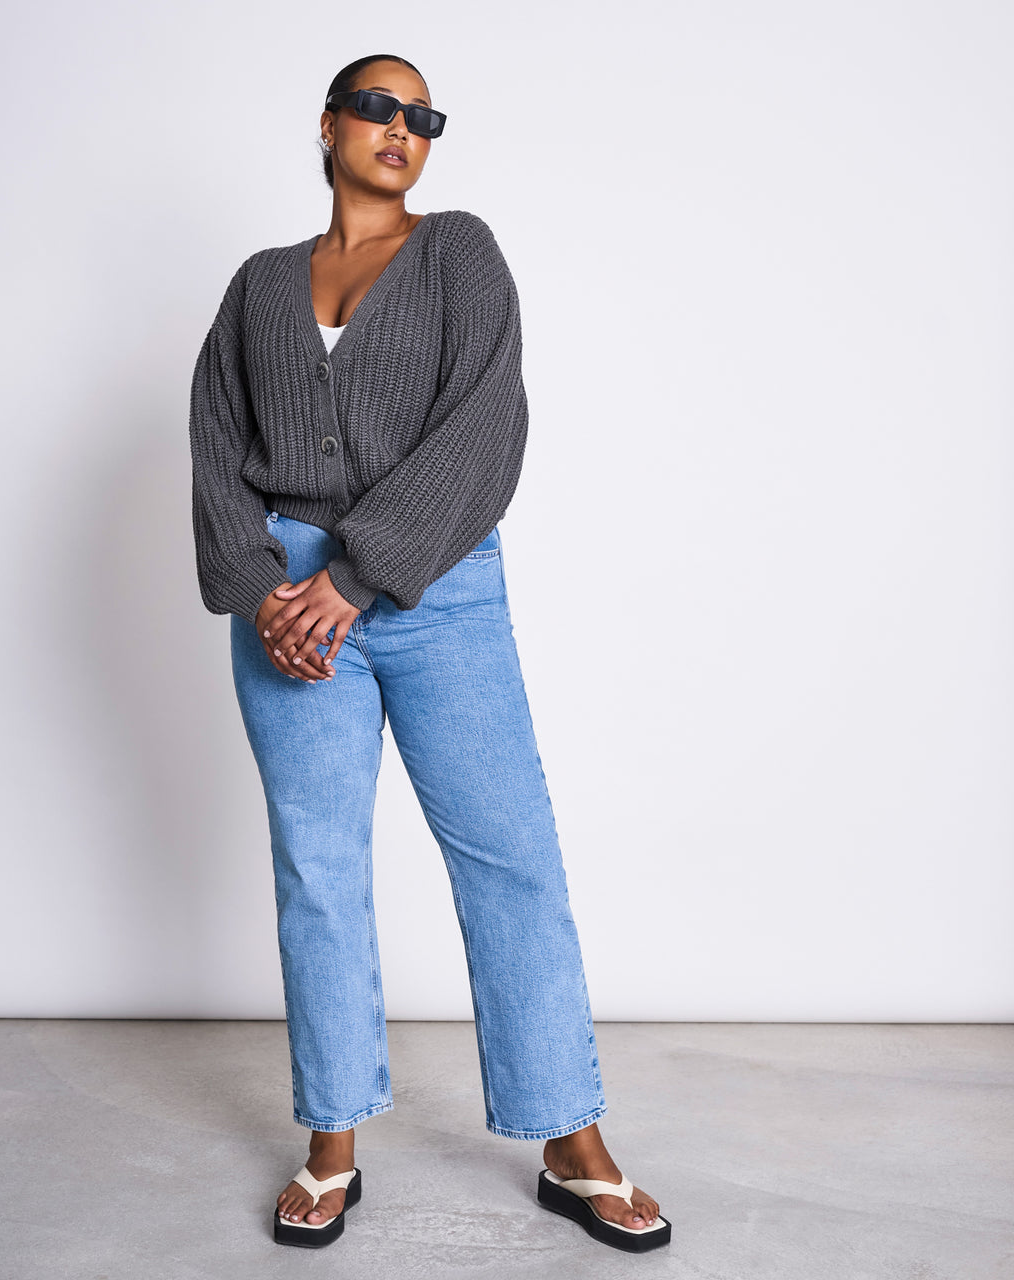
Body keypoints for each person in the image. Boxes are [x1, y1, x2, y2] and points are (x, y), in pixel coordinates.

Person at [188, 52, 669, 1254]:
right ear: (329, 123)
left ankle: (571, 1136)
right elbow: (211, 442)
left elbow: (487, 423)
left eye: (424, 117)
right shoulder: (257, 284)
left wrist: (354, 577)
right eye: (379, 107)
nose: (404, 129)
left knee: (511, 855)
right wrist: (267, 594)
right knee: (318, 868)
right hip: (288, 606)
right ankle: (333, 1141)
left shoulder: (459, 252)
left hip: (436, 586)